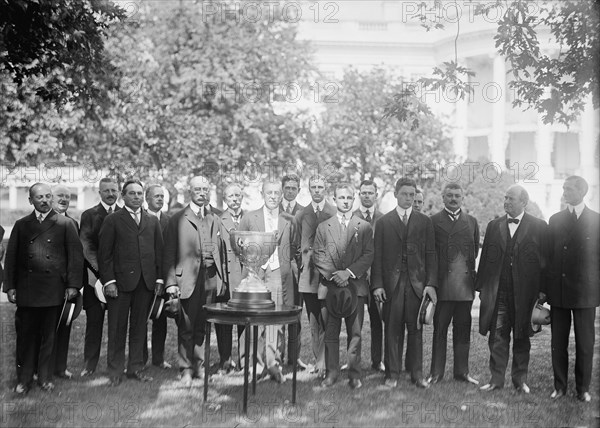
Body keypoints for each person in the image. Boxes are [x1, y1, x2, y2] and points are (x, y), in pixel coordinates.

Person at [3, 183, 83, 394]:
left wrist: (73, 285)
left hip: (54, 289)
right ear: (31, 200)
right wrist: (10, 286)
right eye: (40, 197)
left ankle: (45, 378)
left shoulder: (65, 224)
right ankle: (24, 380)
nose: (45, 200)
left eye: (48, 196)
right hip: (27, 290)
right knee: (25, 336)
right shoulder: (21, 224)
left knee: (50, 337)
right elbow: (11, 257)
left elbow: (75, 258)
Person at [476, 185, 547, 394]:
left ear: (523, 202)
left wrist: (543, 292)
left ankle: (520, 381)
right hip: (499, 293)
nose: (506, 201)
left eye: (511, 198)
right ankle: (496, 380)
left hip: (526, 294)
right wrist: (481, 287)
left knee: (522, 337)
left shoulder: (540, 226)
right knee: (497, 336)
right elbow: (486, 260)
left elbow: (545, 262)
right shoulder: (493, 225)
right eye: (505, 197)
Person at [372, 177, 437, 389]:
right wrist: (378, 285)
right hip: (392, 286)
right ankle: (392, 374)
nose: (408, 198)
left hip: (417, 285)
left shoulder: (424, 222)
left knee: (416, 330)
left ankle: (417, 375)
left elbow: (430, 254)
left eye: (412, 194)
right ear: (395, 195)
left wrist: (431, 284)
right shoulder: (383, 223)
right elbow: (377, 256)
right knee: (392, 330)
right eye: (404, 194)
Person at [98, 179, 164, 386]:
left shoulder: (152, 220)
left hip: (145, 283)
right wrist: (109, 281)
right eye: (132, 193)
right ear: (123, 196)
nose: (136, 197)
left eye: (139, 193)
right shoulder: (113, 220)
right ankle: (115, 371)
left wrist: (159, 278)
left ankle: (136, 368)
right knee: (117, 328)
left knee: (139, 328)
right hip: (120, 283)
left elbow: (159, 252)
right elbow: (104, 254)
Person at [162, 176, 226, 387]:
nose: (202, 193)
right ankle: (186, 369)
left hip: (209, 279)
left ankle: (199, 366)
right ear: (190, 191)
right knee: (186, 324)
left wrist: (221, 279)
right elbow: (169, 252)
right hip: (186, 278)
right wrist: (171, 283)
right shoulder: (177, 218)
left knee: (202, 324)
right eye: (197, 189)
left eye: (205, 189)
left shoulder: (214, 218)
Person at [541, 176, 599, 402]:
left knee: (585, 343)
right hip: (559, 291)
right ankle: (560, 386)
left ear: (583, 191)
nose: (565, 192)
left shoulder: (596, 220)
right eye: (564, 188)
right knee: (558, 342)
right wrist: (544, 289)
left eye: (570, 188)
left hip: (586, 292)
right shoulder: (555, 220)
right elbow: (546, 257)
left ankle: (583, 388)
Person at [238, 179, 300, 383]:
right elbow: (240, 249)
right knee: (253, 319)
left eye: (276, 193)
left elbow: (294, 247)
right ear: (262, 194)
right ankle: (254, 365)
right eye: (269, 193)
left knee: (275, 320)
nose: (273, 196)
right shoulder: (249, 218)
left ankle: (273, 363)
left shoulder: (290, 220)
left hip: (277, 273)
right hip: (255, 274)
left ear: (281, 195)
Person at [314, 183, 374, 389]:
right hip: (330, 287)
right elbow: (318, 255)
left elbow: (368, 255)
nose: (345, 202)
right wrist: (335, 275)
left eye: (349, 198)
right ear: (334, 199)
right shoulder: (324, 227)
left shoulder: (363, 226)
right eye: (341, 198)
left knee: (355, 333)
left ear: (353, 199)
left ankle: (354, 374)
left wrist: (347, 273)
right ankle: (331, 373)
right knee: (331, 332)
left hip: (355, 287)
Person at [427, 183, 479, 385]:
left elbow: (473, 254)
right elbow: (430, 256)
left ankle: (462, 372)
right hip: (443, 287)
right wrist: (431, 284)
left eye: (457, 195)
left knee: (463, 330)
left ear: (463, 197)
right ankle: (436, 373)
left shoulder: (472, 222)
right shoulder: (432, 222)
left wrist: (473, 283)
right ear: (443, 197)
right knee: (440, 330)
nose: (454, 199)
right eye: (449, 195)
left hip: (464, 288)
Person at [296, 175, 336, 376]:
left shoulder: (334, 212)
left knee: (326, 319)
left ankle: (325, 362)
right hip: (308, 276)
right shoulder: (302, 214)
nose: (317, 190)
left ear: (326, 188)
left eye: (321, 186)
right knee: (313, 321)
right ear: (309, 189)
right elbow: (295, 244)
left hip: (327, 275)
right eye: (314, 187)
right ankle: (317, 361)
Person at [79, 177, 120, 377]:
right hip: (95, 279)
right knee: (94, 324)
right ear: (100, 192)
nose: (111, 194)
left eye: (114, 190)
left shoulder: (124, 214)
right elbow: (87, 246)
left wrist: (115, 276)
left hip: (119, 280)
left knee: (117, 325)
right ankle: (89, 365)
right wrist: (103, 275)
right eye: (107, 191)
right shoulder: (89, 215)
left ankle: (116, 365)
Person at [48, 184, 81, 379]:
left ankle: (60, 367)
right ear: (51, 197)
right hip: (44, 286)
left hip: (66, 286)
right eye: (60, 195)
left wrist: (74, 285)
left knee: (64, 325)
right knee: (44, 329)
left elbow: (76, 258)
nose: (64, 199)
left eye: (68, 197)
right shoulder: (42, 220)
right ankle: (40, 369)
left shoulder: (73, 223)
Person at [352, 179, 384, 372]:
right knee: (354, 323)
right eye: (363, 192)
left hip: (378, 280)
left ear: (376, 195)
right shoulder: (350, 217)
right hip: (356, 280)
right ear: (359, 194)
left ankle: (376, 360)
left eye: (370, 193)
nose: (366, 196)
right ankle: (353, 359)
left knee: (377, 322)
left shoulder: (384, 219)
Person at [143, 184, 171, 370]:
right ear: (147, 198)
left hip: (163, 278)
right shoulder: (140, 218)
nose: (160, 199)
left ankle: (158, 358)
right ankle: (141, 358)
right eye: (156, 196)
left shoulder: (169, 221)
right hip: (143, 278)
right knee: (141, 320)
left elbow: (169, 252)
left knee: (160, 319)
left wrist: (163, 279)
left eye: (162, 196)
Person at [217, 182, 244, 373]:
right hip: (225, 279)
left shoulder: (250, 218)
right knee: (224, 321)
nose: (234, 199)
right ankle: (225, 359)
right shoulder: (218, 220)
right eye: (230, 197)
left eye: (237, 195)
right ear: (225, 200)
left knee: (245, 319)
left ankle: (245, 359)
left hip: (245, 278)